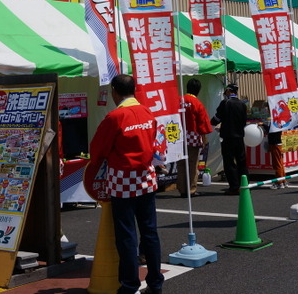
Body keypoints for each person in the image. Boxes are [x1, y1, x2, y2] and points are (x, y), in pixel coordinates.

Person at [87, 74, 163, 294]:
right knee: (150, 233)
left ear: (114, 91)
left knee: (127, 235)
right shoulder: (148, 112)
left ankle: (129, 286)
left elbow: (97, 151)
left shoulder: (115, 116)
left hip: (122, 181)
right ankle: (156, 284)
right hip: (147, 179)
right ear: (135, 90)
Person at [176, 78, 213, 198]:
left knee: (181, 164)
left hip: (178, 137)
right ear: (198, 90)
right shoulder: (197, 103)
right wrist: (204, 138)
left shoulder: (178, 101)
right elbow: (202, 123)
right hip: (193, 137)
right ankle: (191, 189)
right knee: (193, 164)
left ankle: (181, 189)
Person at [210, 84, 247, 195]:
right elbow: (244, 121)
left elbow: (216, 119)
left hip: (228, 137)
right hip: (240, 137)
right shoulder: (242, 104)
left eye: (226, 91)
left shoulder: (225, 103)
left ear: (229, 91)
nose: (225, 93)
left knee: (229, 162)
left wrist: (215, 123)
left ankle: (234, 187)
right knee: (241, 162)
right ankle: (244, 185)